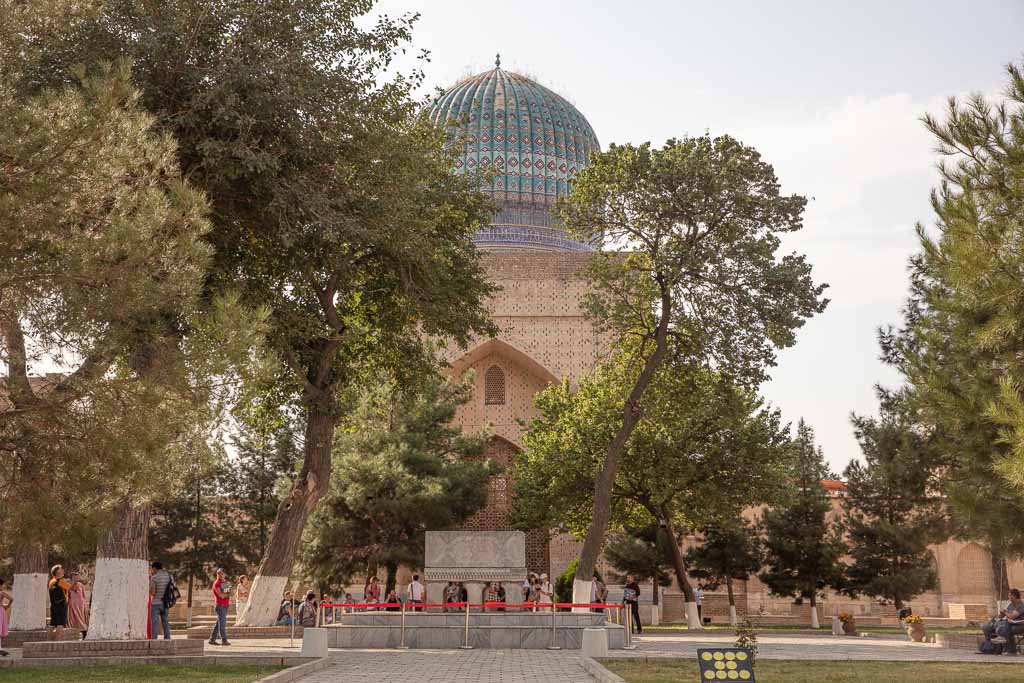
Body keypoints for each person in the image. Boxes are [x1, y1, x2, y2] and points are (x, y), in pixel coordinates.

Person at [983, 588, 1024, 653]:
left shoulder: (1021, 605)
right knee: (986, 627)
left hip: (1019, 624)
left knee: (1005, 627)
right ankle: (990, 647)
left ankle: (1011, 649)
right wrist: (1001, 614)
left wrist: (1005, 612)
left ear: (1014, 596)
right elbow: (1002, 616)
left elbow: (1012, 616)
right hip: (1009, 622)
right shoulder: (1010, 604)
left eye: (1009, 595)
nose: (1008, 597)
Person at [148, 561, 172, 640]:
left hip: (156, 603)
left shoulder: (154, 577)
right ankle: (167, 638)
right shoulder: (168, 576)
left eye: (152, 569)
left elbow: (153, 592)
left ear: (155, 568)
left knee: (154, 622)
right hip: (165, 603)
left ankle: (154, 639)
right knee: (165, 622)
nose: (152, 570)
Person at [208, 567, 231, 646]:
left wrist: (226, 593)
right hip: (220, 606)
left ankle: (212, 639)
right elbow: (221, 595)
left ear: (224, 574)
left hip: (225, 605)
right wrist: (226, 594)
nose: (220, 575)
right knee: (222, 624)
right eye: (218, 573)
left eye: (221, 573)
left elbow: (230, 593)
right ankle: (224, 640)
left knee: (219, 624)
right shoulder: (217, 583)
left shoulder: (224, 582)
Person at [47, 564, 70, 641]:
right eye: (61, 569)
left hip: (54, 606)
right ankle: (58, 642)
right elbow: (70, 587)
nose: (63, 570)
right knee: (60, 625)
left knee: (52, 624)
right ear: (57, 572)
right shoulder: (59, 581)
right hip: (61, 606)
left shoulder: (51, 581)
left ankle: (48, 641)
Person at [0, 577, 11, 656]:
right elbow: (11, 599)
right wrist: (7, 606)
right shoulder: (2, 593)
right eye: (3, 585)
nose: (4, 586)